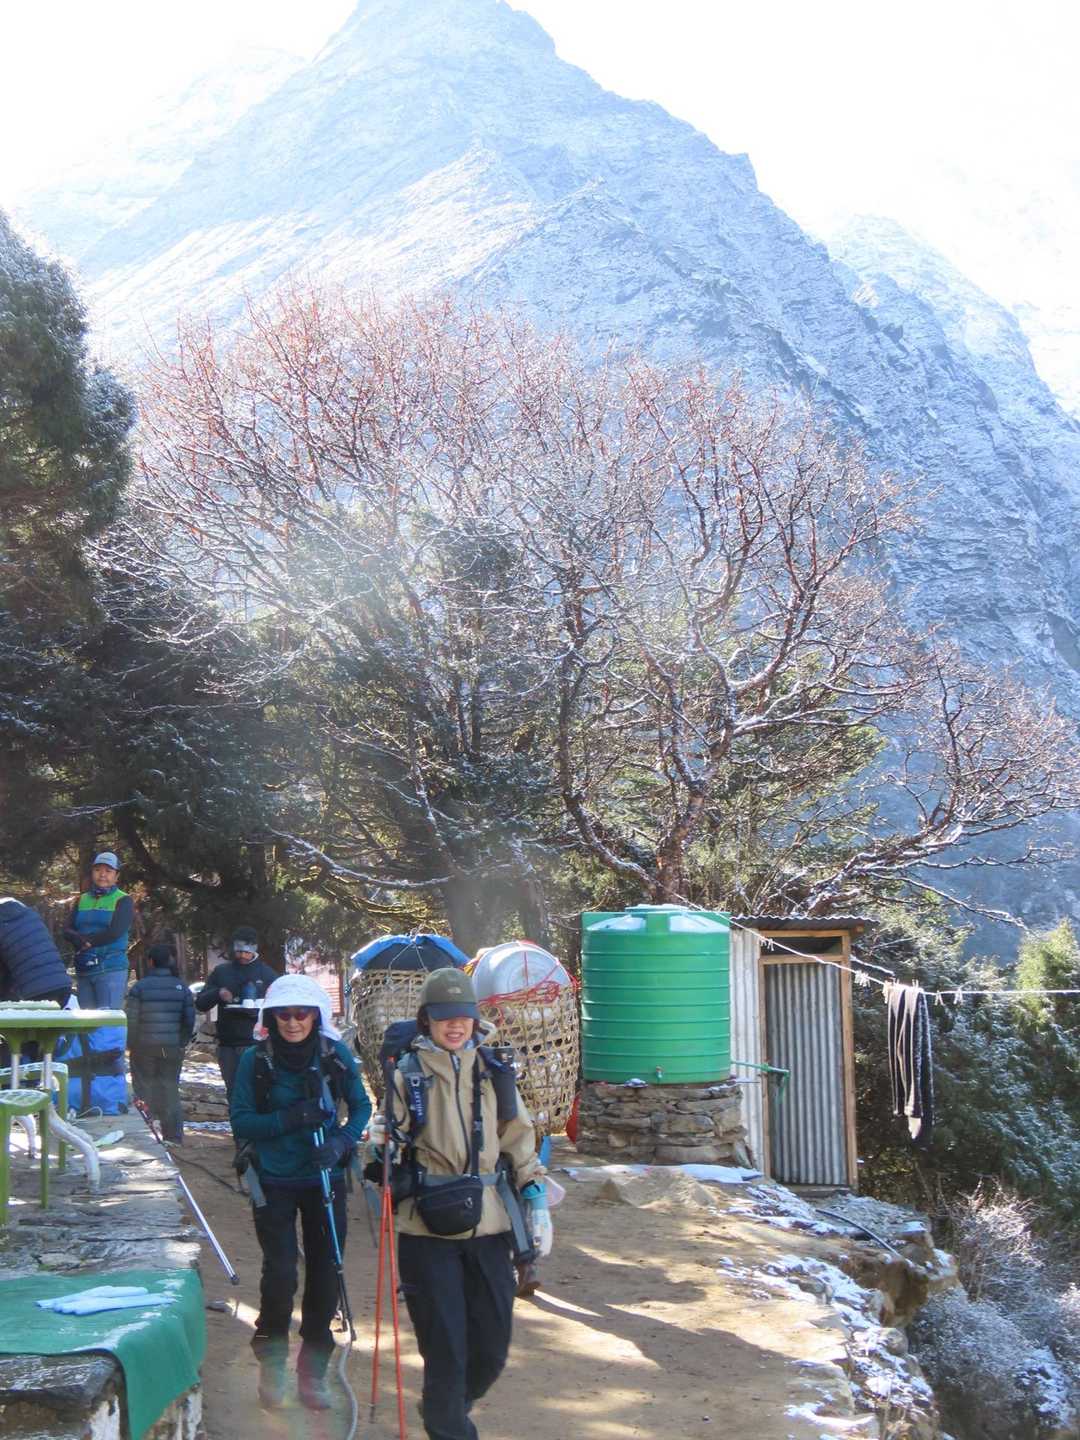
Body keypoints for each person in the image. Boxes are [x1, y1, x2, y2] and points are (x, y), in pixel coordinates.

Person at [370, 967, 550, 1440]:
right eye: (444, 1016)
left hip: (490, 1224)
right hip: (425, 1228)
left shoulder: (493, 1071)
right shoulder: (406, 1075)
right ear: (426, 1020)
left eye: (463, 1015)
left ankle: (443, 1406)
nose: (454, 1025)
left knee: (491, 1347)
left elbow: (517, 1136)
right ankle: (447, 1419)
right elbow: (386, 1146)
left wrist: (534, 1191)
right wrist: (379, 1145)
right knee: (445, 1348)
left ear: (474, 1018)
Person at [230, 974, 371, 1411]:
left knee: (326, 1273)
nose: (293, 1022)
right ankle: (272, 1365)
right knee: (281, 1274)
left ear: (316, 1016)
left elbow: (362, 1106)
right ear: (271, 1018)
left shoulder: (333, 1055)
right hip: (273, 1179)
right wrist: (290, 1119)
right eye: (284, 1015)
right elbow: (241, 1121)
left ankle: (313, 1373)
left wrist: (341, 1142)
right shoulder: (255, 1060)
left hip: (324, 1177)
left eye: (301, 1013)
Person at [194, 927, 277, 1098]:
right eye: (239, 951)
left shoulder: (267, 974)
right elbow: (201, 1003)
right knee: (234, 1093)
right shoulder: (222, 972)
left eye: (247, 952)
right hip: (228, 1045)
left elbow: (280, 1007)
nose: (242, 956)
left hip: (258, 1045)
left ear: (255, 949)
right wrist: (218, 993)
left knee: (260, 1093)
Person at [125, 942, 195, 1142]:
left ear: (150, 962)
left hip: (143, 1048)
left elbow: (132, 1020)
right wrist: (180, 1042)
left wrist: (132, 1044)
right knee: (170, 1091)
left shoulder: (140, 987)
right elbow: (189, 1020)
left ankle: (145, 1136)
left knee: (143, 1091)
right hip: (171, 1049)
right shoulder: (181, 988)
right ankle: (174, 1138)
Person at [62, 851, 133, 1009]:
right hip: (84, 968)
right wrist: (78, 940)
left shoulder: (123, 900)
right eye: (97, 870)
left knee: (108, 1019)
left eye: (108, 871)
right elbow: (66, 929)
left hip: (111, 968)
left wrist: (88, 941)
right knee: (86, 1021)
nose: (102, 874)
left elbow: (115, 932)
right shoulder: (82, 899)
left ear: (116, 876)